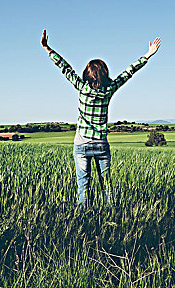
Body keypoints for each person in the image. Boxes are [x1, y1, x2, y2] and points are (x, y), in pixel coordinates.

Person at [41, 29, 161, 206]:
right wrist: (148, 55)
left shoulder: (82, 88)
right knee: (107, 186)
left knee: (83, 186)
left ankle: (85, 222)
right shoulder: (109, 90)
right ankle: (111, 216)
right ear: (104, 74)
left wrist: (47, 48)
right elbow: (129, 72)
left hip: (81, 145)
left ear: (87, 75)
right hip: (101, 145)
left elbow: (64, 67)